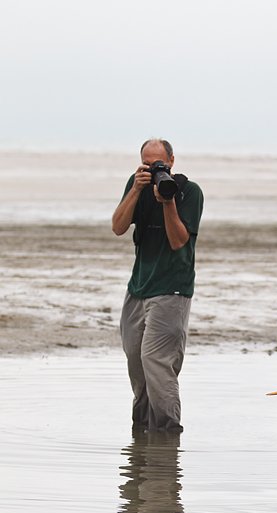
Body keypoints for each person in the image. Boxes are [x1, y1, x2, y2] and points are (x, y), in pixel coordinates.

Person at [112, 138, 203, 432]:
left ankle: (166, 437)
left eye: (159, 164)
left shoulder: (189, 192)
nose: (154, 169)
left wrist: (168, 202)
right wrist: (137, 190)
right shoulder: (135, 185)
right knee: (136, 360)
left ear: (172, 161)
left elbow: (178, 241)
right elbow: (118, 227)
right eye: (148, 164)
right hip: (138, 286)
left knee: (157, 361)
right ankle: (141, 431)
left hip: (172, 287)